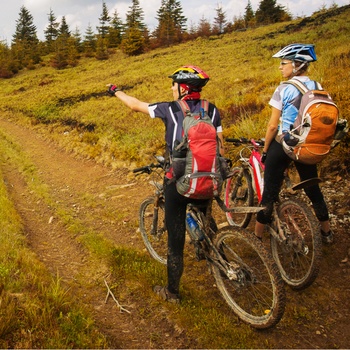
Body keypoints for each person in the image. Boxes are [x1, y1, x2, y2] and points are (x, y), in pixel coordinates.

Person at [107, 65, 224, 303]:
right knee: (205, 213)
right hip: (208, 177)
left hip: (178, 183)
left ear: (182, 88)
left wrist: (116, 91)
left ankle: (172, 292)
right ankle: (220, 257)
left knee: (176, 240)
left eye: (174, 85)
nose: (171, 88)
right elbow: (221, 146)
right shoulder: (212, 110)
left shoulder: (169, 110)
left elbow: (134, 104)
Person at [255, 43, 334, 244]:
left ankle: (256, 238)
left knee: (270, 192)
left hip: (285, 144)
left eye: (284, 63)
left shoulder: (283, 88)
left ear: (297, 65)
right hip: (307, 144)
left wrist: (265, 150)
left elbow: (273, 126)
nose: (280, 67)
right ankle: (327, 232)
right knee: (313, 189)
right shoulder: (317, 86)